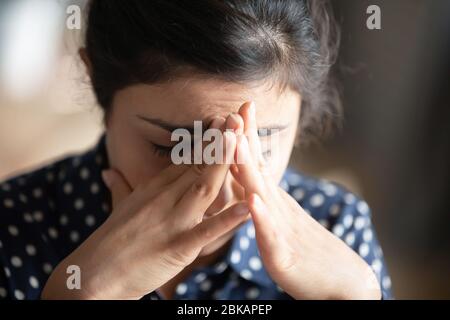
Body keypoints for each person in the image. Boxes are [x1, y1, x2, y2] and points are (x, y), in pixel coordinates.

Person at [0, 0, 392, 300]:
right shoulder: (13, 225)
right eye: (173, 147)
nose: (216, 196)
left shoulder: (339, 227)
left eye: (257, 147)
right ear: (97, 83)